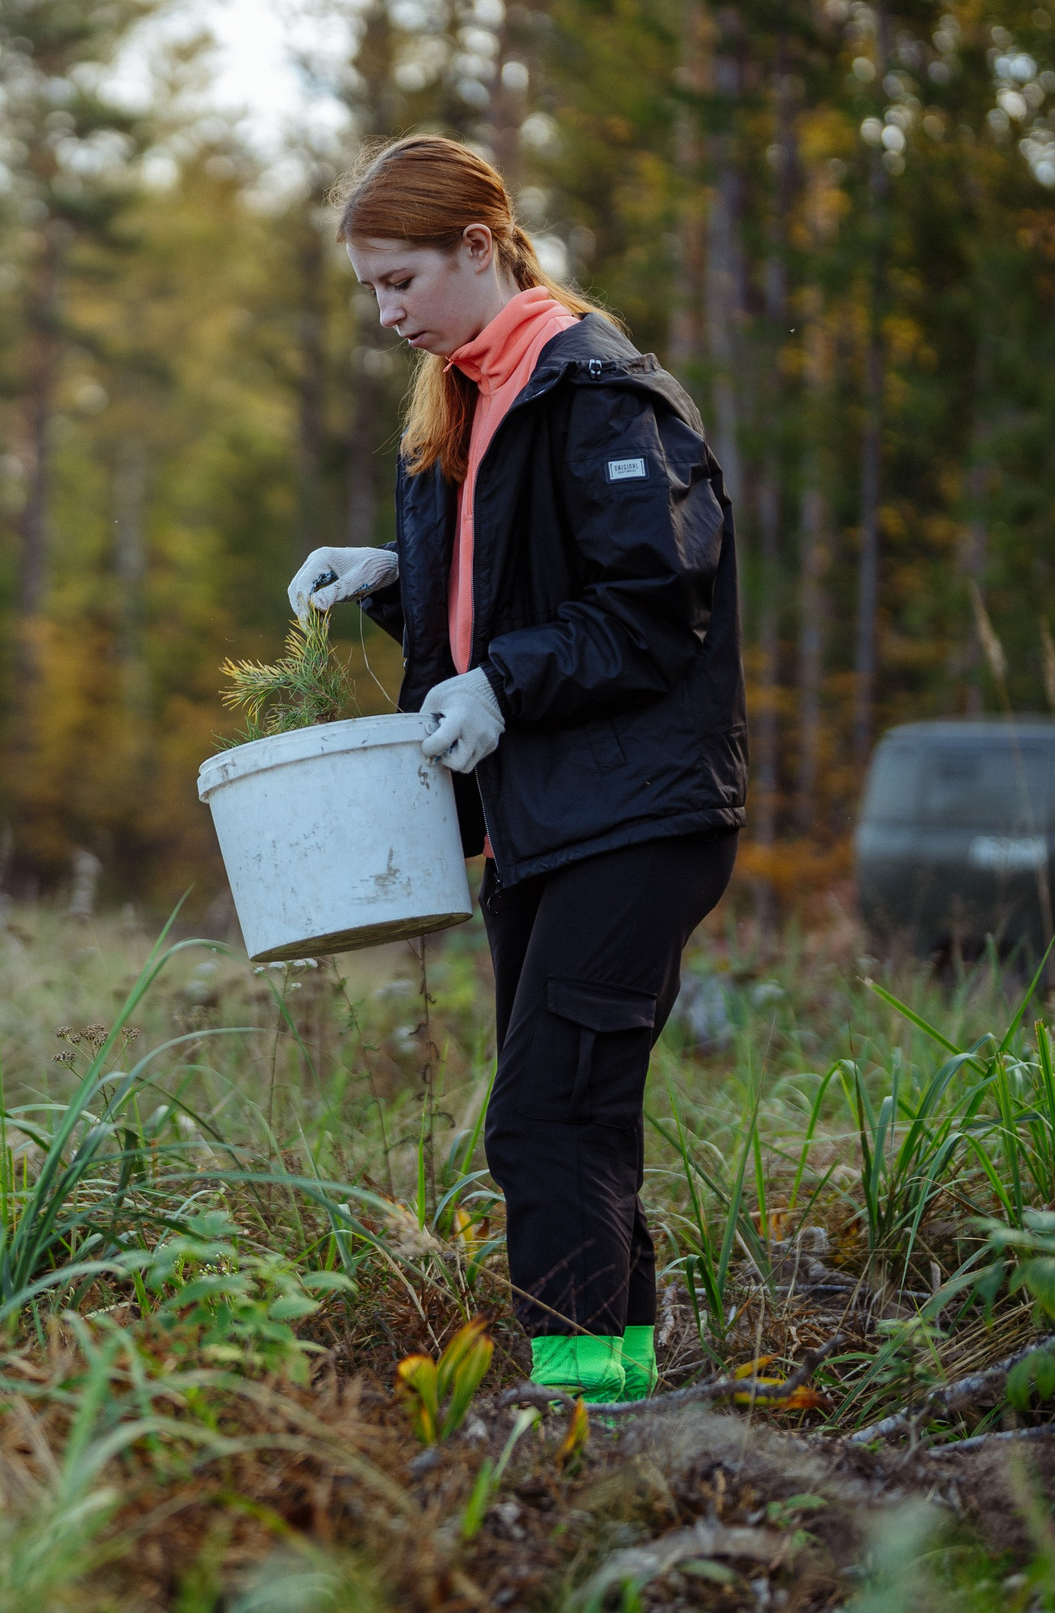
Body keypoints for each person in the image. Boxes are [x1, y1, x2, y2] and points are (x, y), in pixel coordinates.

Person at [289, 136, 745, 1402]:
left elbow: (655, 607)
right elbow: (498, 615)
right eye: (370, 290)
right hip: (544, 816)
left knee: (539, 1116)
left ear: (478, 248)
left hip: (640, 813)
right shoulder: (463, 399)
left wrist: (503, 681)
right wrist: (393, 581)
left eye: (399, 281)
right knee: (580, 1114)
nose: (386, 315)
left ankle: (577, 1405)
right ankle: (620, 1385)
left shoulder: (596, 392)